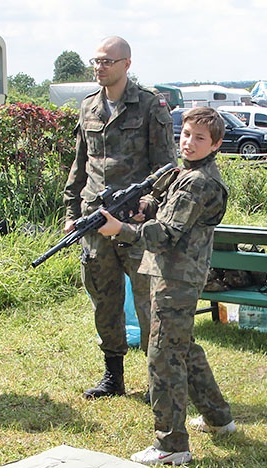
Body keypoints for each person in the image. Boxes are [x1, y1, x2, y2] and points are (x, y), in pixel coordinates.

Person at [96, 107, 235, 466]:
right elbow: (159, 210)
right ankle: (219, 418)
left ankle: (171, 445)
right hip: (173, 274)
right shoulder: (184, 174)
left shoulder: (199, 181)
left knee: (162, 356)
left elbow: (165, 235)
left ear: (216, 144)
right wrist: (141, 207)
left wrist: (122, 230)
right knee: (182, 347)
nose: (189, 142)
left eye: (199, 138)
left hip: (178, 277)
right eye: (186, 134)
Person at [63, 36, 176, 399]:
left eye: (107, 61)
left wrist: (148, 204)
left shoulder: (149, 105)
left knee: (146, 301)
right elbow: (80, 165)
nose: (100, 67)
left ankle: (157, 378)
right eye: (96, 61)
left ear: (126, 63)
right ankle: (114, 376)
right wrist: (70, 212)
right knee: (104, 299)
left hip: (135, 224)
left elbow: (166, 167)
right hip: (95, 220)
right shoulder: (89, 107)